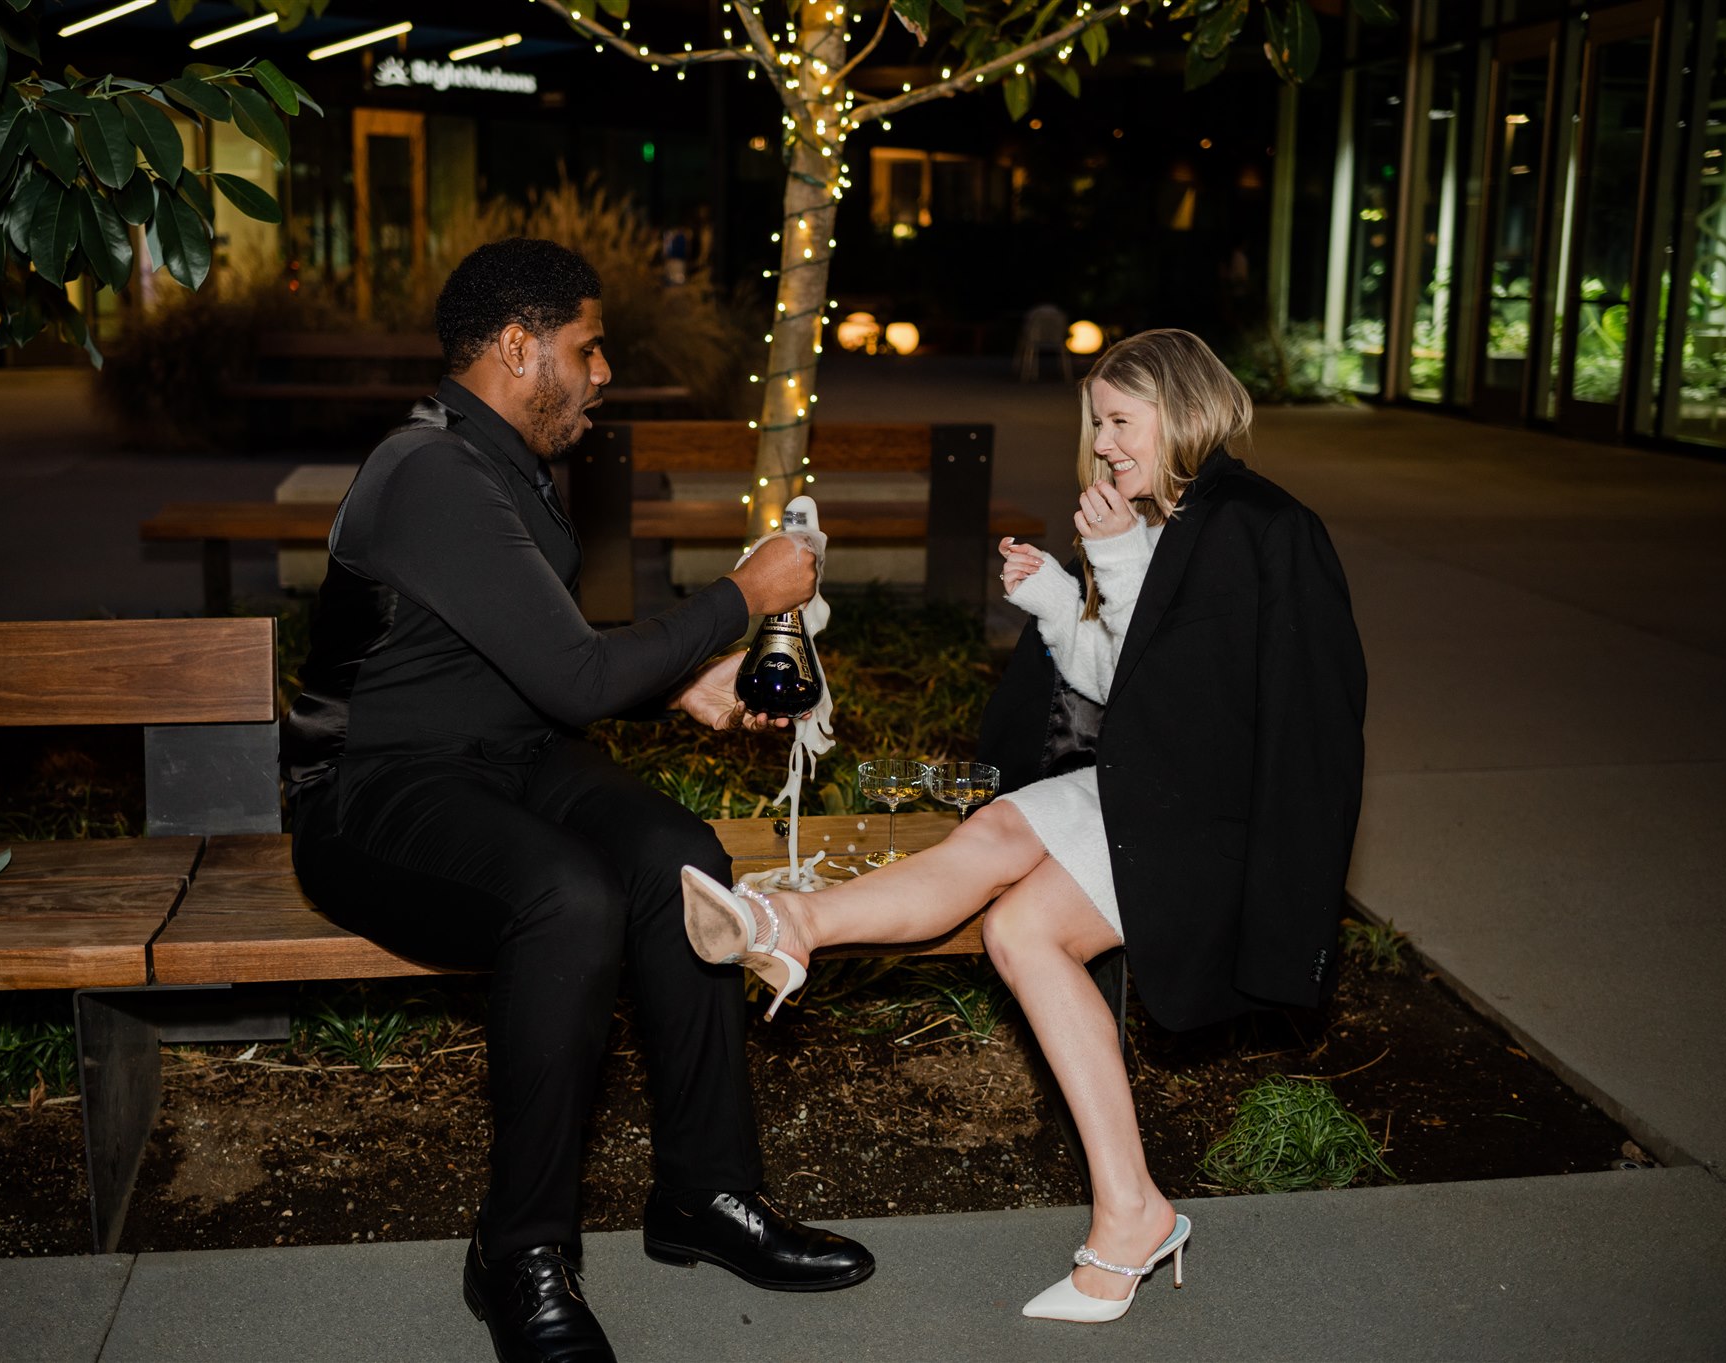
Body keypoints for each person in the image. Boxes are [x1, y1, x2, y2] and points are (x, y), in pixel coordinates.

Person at [680, 327, 1366, 1324]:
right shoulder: (1159, 519)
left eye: (1119, 421)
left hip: (1204, 815)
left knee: (1020, 929)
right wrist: (1057, 594)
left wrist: (1112, 561)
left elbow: (1196, 698)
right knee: (990, 841)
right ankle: (796, 929)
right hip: (1140, 785)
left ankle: (1130, 1211)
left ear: (1181, 412)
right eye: (1095, 423)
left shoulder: (1251, 523)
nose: (1102, 444)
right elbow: (1116, 685)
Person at [282, 238, 874, 1363]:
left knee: (676, 855)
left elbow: (538, 665)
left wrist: (681, 687)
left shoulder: (499, 465)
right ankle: (520, 1252)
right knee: (567, 897)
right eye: (586, 348)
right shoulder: (429, 474)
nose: (602, 372)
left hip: (505, 759)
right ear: (517, 347)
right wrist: (743, 592)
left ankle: (704, 1193)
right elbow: (573, 679)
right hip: (372, 793)